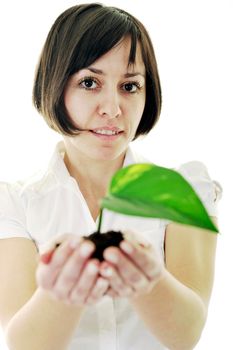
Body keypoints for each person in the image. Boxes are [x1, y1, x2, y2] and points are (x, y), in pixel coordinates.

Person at [0, 3, 222, 350]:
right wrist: (60, 294)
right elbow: (23, 343)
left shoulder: (182, 189)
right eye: (89, 82)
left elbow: (187, 334)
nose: (113, 108)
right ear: (53, 85)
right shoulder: (14, 202)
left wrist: (150, 281)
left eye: (130, 86)